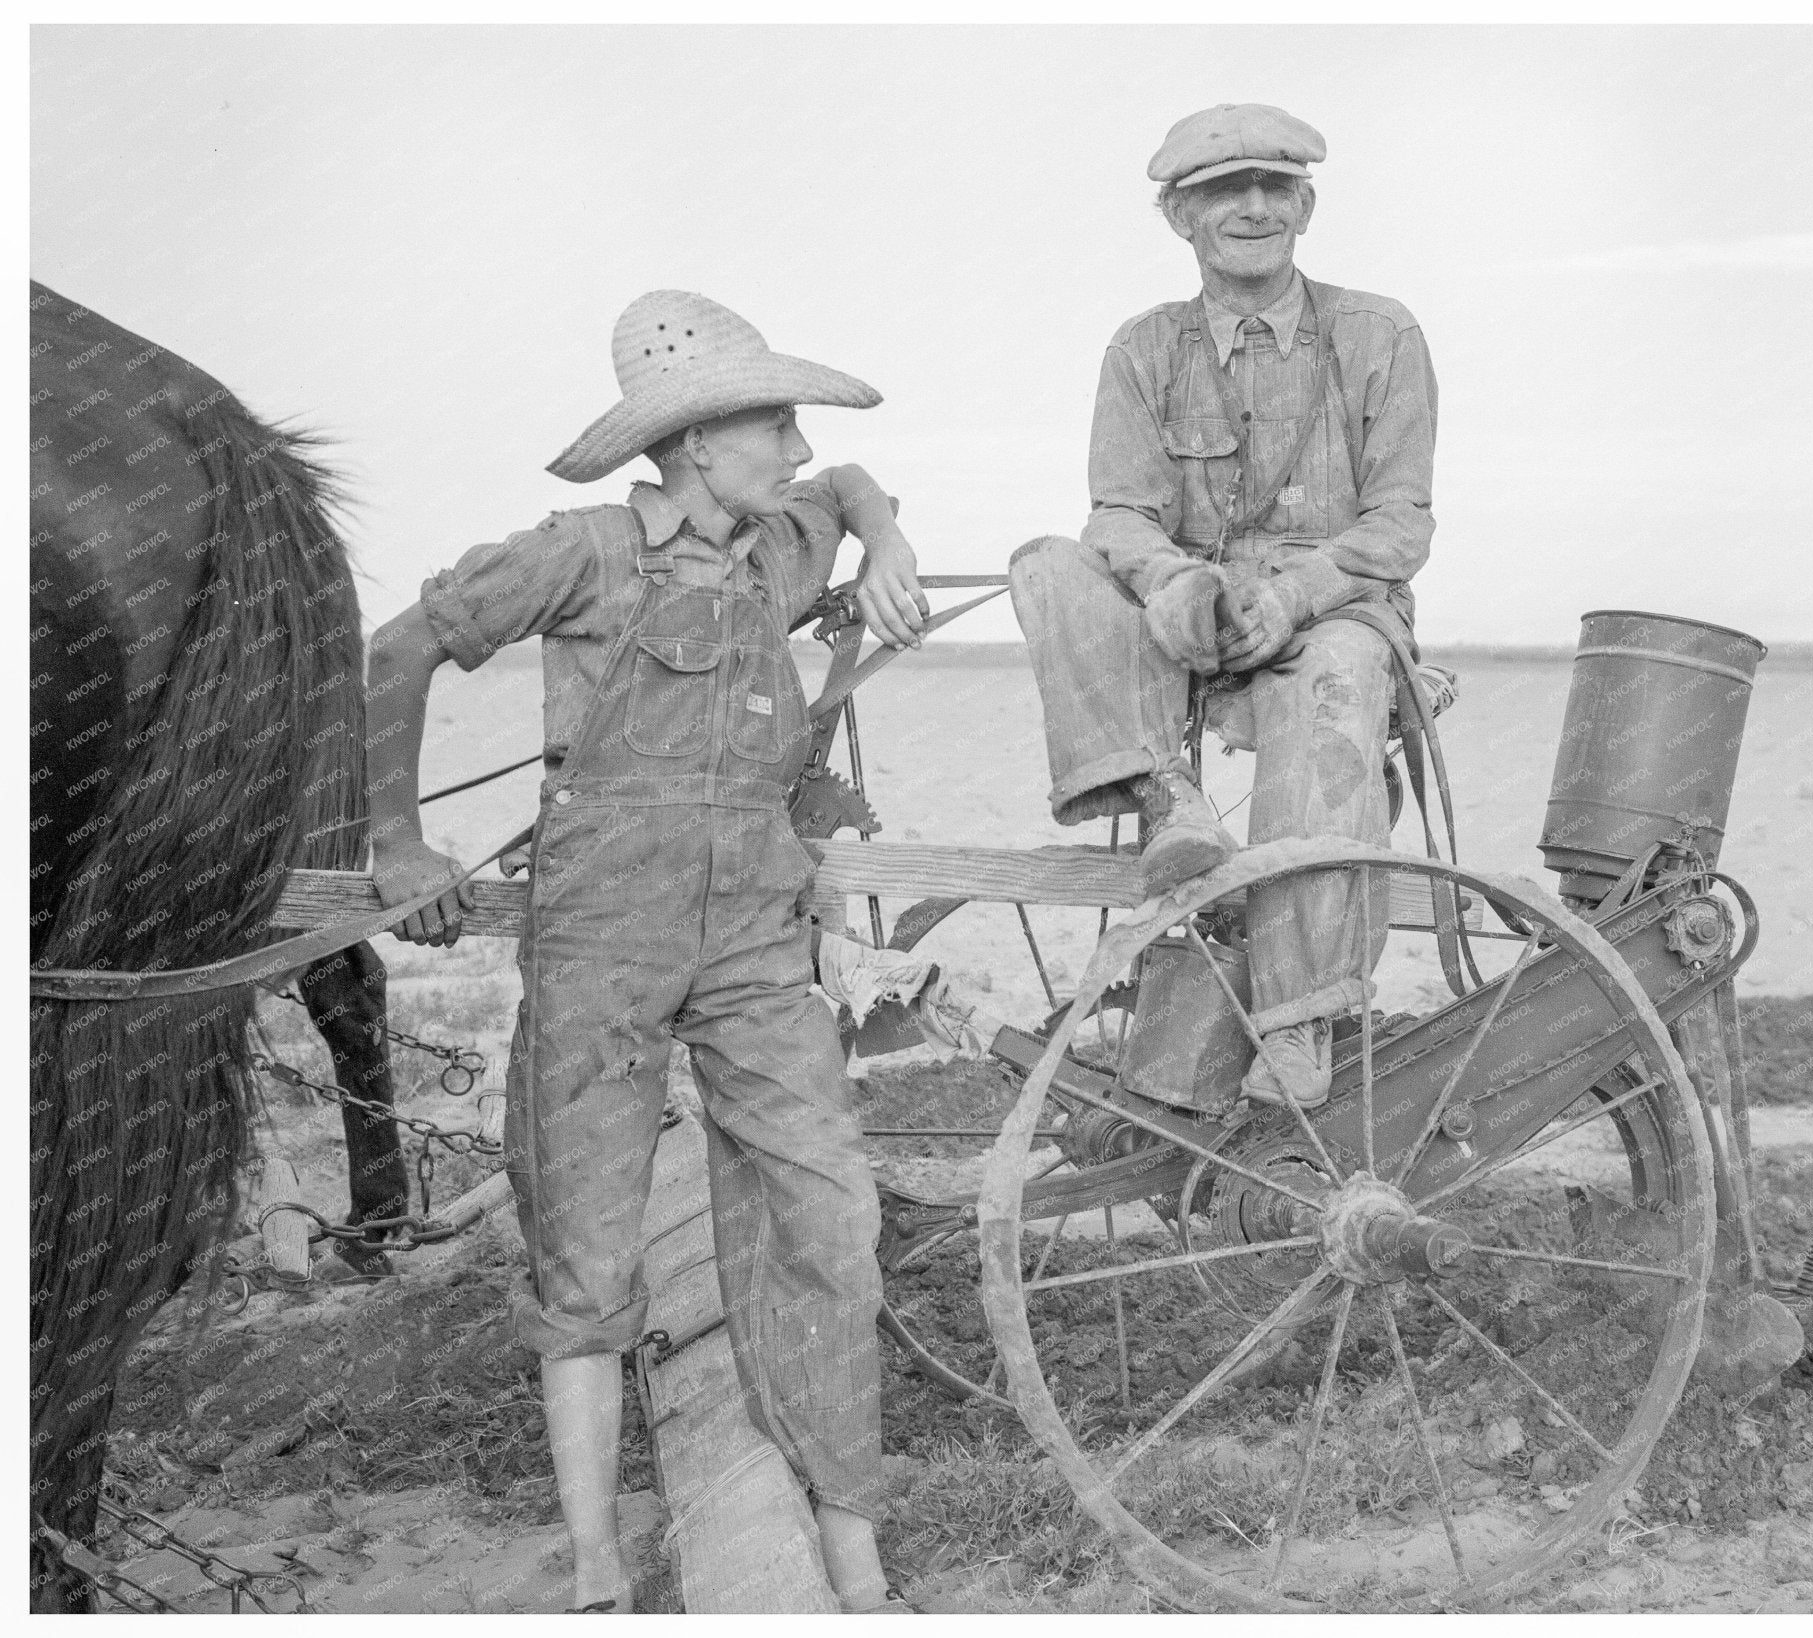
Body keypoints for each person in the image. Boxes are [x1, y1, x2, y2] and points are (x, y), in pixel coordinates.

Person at [365, 292, 925, 1613]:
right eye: (772, 422)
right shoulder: (581, 553)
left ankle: (853, 1554)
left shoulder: (780, 544)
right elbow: (396, 650)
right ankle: (599, 1571)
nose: (794, 446)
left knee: (835, 1219)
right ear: (694, 446)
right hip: (601, 942)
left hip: (753, 939)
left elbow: (849, 481)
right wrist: (397, 842)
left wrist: (887, 533)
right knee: (589, 1254)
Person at [1009, 102, 1439, 1111]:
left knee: (1337, 681)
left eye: (1270, 188)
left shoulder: (1380, 334)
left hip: (1328, 614)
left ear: (1304, 205)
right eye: (1220, 191)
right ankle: (1168, 796)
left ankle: (1295, 1015)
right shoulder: (1142, 349)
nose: (1250, 207)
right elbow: (1115, 512)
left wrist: (1290, 598)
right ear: (1177, 218)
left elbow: (1399, 522)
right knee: (1044, 563)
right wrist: (1170, 586)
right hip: (1189, 620)